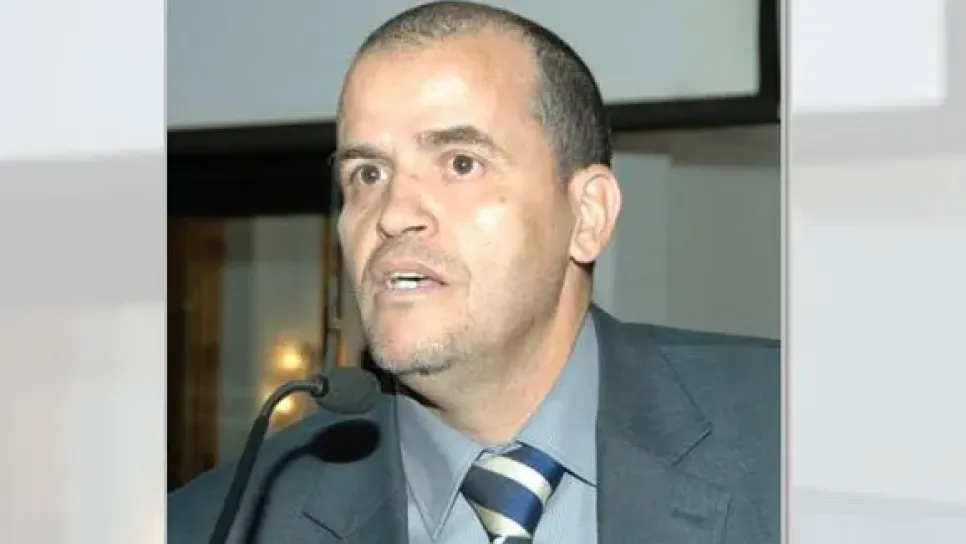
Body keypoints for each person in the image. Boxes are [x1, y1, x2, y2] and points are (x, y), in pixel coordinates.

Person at [167, 2, 780, 543]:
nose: (393, 214)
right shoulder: (215, 527)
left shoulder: (792, 433)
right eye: (368, 174)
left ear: (588, 215)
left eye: (461, 163)